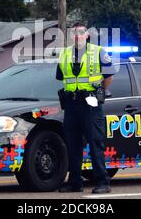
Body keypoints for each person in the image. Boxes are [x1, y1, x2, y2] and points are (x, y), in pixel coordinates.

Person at [56, 21, 115, 194]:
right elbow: (61, 77)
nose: (77, 36)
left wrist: (100, 91)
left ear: (87, 35)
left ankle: (103, 182)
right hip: (71, 104)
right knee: (72, 144)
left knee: (95, 143)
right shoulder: (65, 54)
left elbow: (108, 75)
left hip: (91, 103)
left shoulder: (97, 52)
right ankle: (75, 182)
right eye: (74, 33)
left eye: (81, 32)